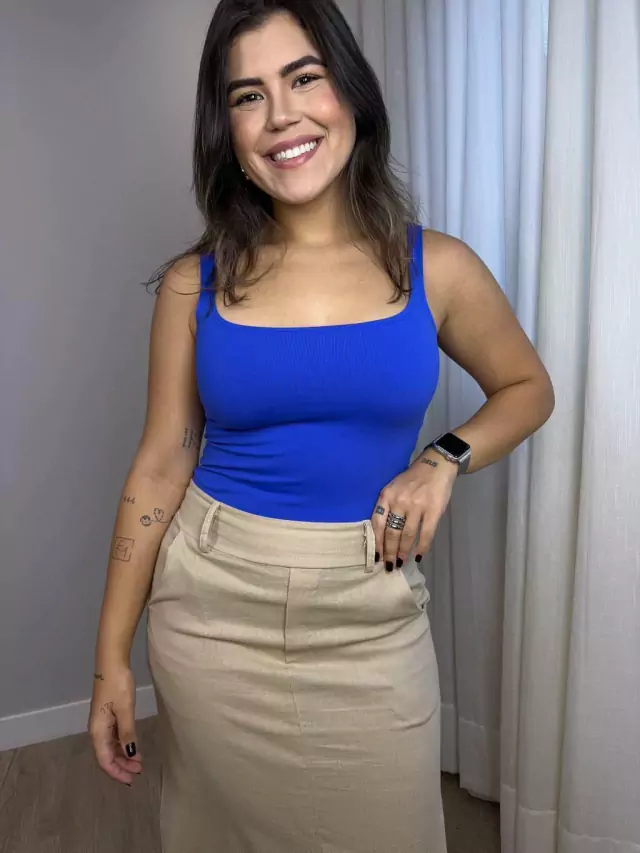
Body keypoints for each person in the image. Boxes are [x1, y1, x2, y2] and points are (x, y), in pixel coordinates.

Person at [88, 1, 554, 851]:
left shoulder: (438, 267)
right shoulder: (194, 285)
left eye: (304, 78)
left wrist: (443, 458)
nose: (281, 115)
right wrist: (109, 660)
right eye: (248, 95)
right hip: (210, 608)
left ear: (351, 93)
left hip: (367, 608)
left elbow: (527, 387)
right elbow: (158, 468)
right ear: (227, 130)